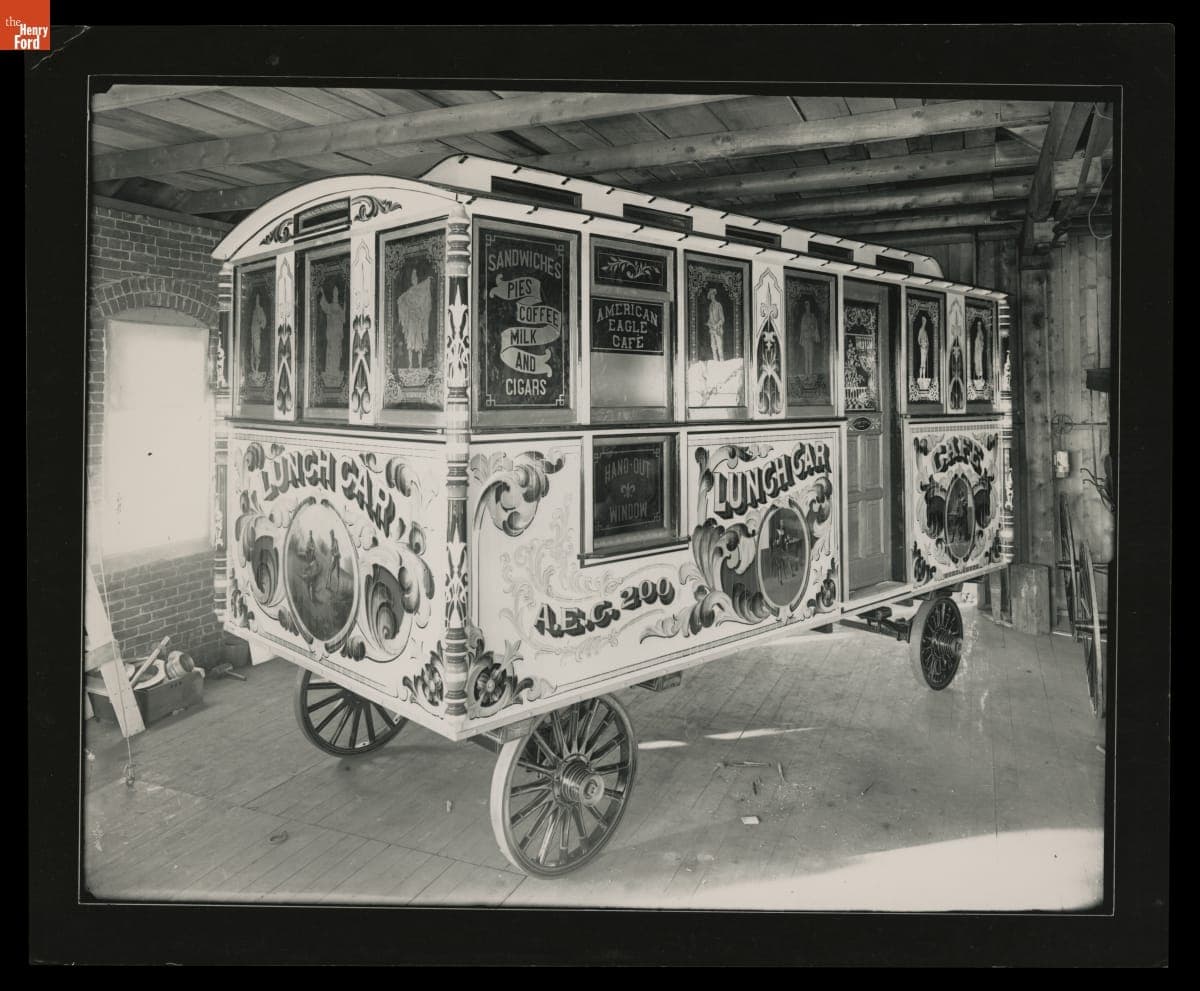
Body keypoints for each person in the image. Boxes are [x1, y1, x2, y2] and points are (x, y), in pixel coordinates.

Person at [396, 267, 433, 370]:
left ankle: (420, 366)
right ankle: (410, 365)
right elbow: (401, 299)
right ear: (412, 280)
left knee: (419, 344)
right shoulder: (410, 291)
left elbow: (424, 286)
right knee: (411, 343)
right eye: (413, 278)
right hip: (412, 321)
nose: (414, 280)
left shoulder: (420, 290)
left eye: (415, 278)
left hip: (418, 320)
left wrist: (428, 280)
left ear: (417, 279)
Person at [319, 283, 346, 385]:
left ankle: (335, 370)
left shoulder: (339, 307)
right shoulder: (331, 306)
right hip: (331, 333)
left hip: (336, 334)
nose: (335, 294)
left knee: (336, 352)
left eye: (337, 293)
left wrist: (343, 312)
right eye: (334, 292)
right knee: (330, 352)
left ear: (338, 294)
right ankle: (330, 371)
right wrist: (322, 293)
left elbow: (343, 320)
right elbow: (325, 306)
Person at [797, 297, 821, 376]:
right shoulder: (804, 317)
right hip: (805, 339)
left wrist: (812, 328)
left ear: (810, 306)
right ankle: (807, 374)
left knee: (811, 357)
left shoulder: (813, 317)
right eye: (805, 305)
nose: (807, 306)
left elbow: (815, 328)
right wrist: (807, 328)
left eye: (808, 304)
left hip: (810, 339)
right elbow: (802, 328)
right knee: (806, 358)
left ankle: (810, 374)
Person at [249, 292, 267, 375]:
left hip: (257, 334)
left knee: (257, 351)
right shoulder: (253, 311)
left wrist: (260, 324)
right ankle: (253, 369)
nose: (257, 301)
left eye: (258, 299)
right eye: (256, 299)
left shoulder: (260, 310)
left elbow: (264, 322)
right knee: (252, 351)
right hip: (252, 334)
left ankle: (257, 369)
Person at [705, 287, 725, 361]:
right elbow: (710, 318)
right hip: (712, 330)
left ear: (714, 295)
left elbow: (722, 319)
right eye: (710, 296)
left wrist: (717, 325)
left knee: (720, 347)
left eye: (712, 295)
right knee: (713, 347)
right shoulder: (710, 306)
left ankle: (722, 363)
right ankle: (716, 363)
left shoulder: (718, 305)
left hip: (718, 330)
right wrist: (709, 323)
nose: (711, 297)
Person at [915, 313, 930, 381]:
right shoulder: (921, 330)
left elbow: (927, 340)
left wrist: (926, 344)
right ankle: (921, 377)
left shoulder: (926, 331)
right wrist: (922, 344)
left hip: (925, 348)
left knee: (924, 363)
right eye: (924, 322)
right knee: (922, 363)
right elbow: (918, 340)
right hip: (922, 348)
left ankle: (924, 377)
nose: (924, 324)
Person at [972, 316, 987, 382]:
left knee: (979, 362)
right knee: (976, 361)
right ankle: (977, 375)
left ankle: (980, 375)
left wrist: (981, 345)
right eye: (978, 325)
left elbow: (982, 341)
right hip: (976, 350)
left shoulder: (981, 333)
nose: (978, 326)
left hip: (979, 351)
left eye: (979, 325)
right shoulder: (975, 333)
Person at [326, 528, 341, 593]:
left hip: (337, 558)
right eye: (330, 535)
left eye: (331, 534)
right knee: (330, 570)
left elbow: (337, 550)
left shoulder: (335, 541)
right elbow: (331, 551)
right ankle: (328, 586)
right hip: (334, 558)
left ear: (333, 534)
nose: (331, 536)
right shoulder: (332, 541)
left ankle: (337, 589)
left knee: (337, 574)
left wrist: (333, 552)